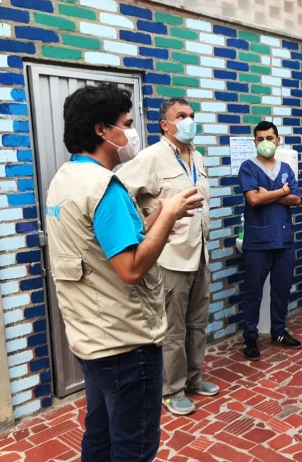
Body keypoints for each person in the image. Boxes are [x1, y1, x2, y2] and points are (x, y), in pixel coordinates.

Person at [45, 84, 203, 460]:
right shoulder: (106, 187)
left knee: (99, 436)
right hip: (126, 344)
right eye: (127, 124)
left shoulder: (66, 178)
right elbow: (131, 268)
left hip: (91, 339)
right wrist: (168, 217)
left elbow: (111, 243)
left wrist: (152, 218)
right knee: (134, 447)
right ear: (103, 130)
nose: (132, 134)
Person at [117, 98, 219, 416]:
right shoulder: (152, 157)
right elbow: (118, 189)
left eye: (191, 115)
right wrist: (145, 227)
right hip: (170, 257)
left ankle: (193, 378)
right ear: (166, 124)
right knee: (172, 328)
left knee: (197, 322)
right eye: (181, 116)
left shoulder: (196, 156)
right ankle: (171, 390)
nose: (189, 120)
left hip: (199, 252)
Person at [238, 121, 302, 361]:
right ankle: (250, 338)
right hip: (258, 240)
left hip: (283, 239)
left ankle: (279, 332)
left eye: (270, 138)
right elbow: (253, 200)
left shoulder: (286, 168)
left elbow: (296, 200)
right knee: (254, 292)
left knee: (281, 290)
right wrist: (282, 192)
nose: (266, 142)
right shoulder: (248, 168)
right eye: (260, 138)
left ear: (278, 140)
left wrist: (269, 194)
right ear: (255, 142)